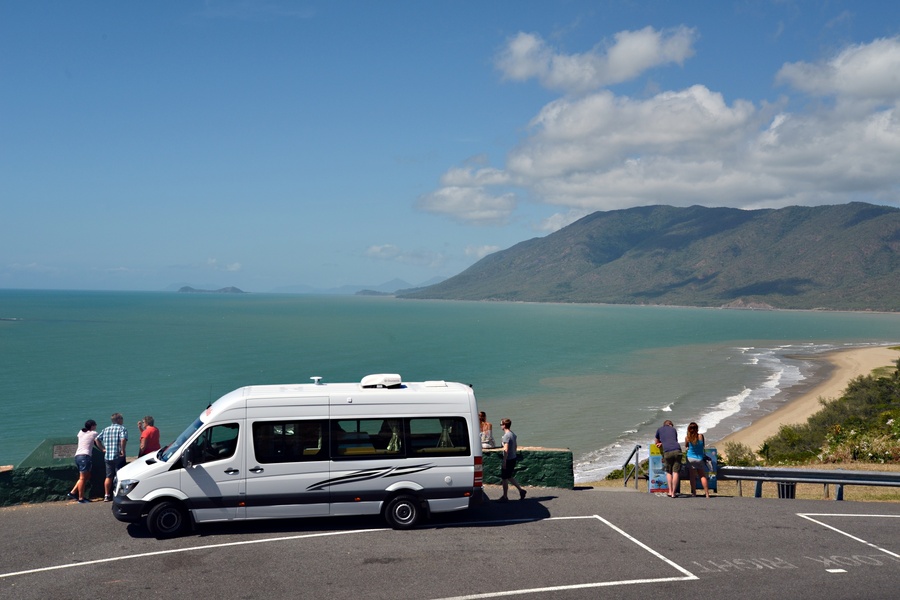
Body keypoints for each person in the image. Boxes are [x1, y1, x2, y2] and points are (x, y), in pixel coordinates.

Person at [96, 412, 128, 502]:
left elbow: (97, 439)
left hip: (108, 456)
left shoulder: (106, 429)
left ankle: (106, 495)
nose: (122, 420)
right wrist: (123, 450)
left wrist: (102, 449)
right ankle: (119, 494)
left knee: (108, 476)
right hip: (118, 455)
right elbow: (123, 439)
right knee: (121, 476)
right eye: (122, 418)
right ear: (118, 420)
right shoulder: (122, 429)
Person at [66, 419, 100, 504]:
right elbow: (97, 442)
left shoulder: (81, 432)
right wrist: (103, 449)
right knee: (82, 478)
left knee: (87, 476)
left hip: (78, 456)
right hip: (85, 457)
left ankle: (73, 492)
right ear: (92, 426)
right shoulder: (94, 433)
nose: (96, 426)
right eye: (95, 425)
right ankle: (81, 498)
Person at [498, 418, 526, 502]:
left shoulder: (506, 436)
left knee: (504, 478)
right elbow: (515, 446)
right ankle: (521, 491)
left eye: (501, 424)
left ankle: (505, 497)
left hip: (508, 459)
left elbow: (506, 449)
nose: (500, 426)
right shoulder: (513, 434)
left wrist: (504, 461)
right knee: (509, 476)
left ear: (504, 425)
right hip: (513, 457)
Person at [655, 419, 682, 498]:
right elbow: (674, 440)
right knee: (676, 472)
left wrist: (660, 443)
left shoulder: (659, 429)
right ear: (671, 425)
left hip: (667, 452)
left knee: (669, 472)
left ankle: (670, 491)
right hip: (677, 450)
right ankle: (674, 492)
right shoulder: (673, 429)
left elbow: (656, 441)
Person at [684, 421, 711, 498]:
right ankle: (707, 493)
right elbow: (703, 445)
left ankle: (694, 493)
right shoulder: (701, 436)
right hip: (699, 458)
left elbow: (686, 446)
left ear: (689, 429)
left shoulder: (687, 438)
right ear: (697, 429)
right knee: (702, 476)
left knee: (692, 476)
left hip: (690, 458)